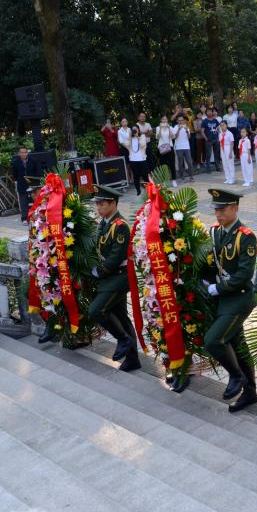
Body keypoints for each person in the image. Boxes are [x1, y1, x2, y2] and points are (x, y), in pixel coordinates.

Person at [204, 188, 257, 412]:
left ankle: (237, 377)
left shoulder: (246, 236)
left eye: (223, 209)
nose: (218, 214)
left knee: (214, 340)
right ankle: (251, 393)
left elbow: (243, 275)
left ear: (235, 208)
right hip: (222, 298)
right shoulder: (215, 232)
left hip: (239, 298)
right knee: (237, 344)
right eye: (216, 209)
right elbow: (210, 262)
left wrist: (219, 287)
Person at [89, 185, 140, 372]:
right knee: (121, 318)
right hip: (109, 277)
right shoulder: (104, 223)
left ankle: (123, 339)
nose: (99, 207)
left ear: (113, 203)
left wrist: (100, 271)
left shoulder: (121, 226)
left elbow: (116, 257)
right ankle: (133, 359)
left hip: (118, 277)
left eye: (102, 204)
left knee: (96, 310)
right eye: (97, 204)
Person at [11, 146, 41, 222]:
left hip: (32, 183)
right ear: (19, 153)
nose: (24, 154)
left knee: (34, 200)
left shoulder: (33, 160)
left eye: (25, 152)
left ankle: (36, 216)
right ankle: (24, 218)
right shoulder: (15, 162)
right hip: (21, 184)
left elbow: (38, 172)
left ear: (27, 153)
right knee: (23, 202)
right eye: (22, 152)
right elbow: (14, 175)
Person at [170, 114, 194, 183]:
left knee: (189, 162)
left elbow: (189, 137)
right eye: (179, 120)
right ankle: (182, 177)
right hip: (178, 148)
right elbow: (175, 137)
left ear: (184, 121)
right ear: (177, 121)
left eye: (182, 120)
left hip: (187, 147)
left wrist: (186, 130)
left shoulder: (187, 127)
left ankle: (191, 177)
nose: (181, 121)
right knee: (180, 163)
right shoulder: (175, 127)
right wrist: (178, 129)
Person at [129, 126, 149, 196]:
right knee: (136, 176)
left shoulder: (142, 136)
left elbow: (143, 145)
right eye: (133, 129)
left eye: (136, 129)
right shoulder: (130, 138)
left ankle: (149, 191)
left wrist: (137, 136)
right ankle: (138, 192)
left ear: (138, 130)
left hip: (142, 159)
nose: (134, 130)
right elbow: (125, 144)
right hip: (133, 160)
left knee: (145, 176)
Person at [202, 107, 222, 173]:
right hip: (208, 140)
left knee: (217, 154)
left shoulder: (215, 120)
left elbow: (219, 129)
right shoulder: (204, 121)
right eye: (208, 111)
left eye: (211, 111)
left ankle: (218, 167)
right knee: (208, 154)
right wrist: (206, 138)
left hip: (216, 139)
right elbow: (202, 131)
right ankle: (208, 169)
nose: (210, 113)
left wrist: (219, 136)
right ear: (206, 113)